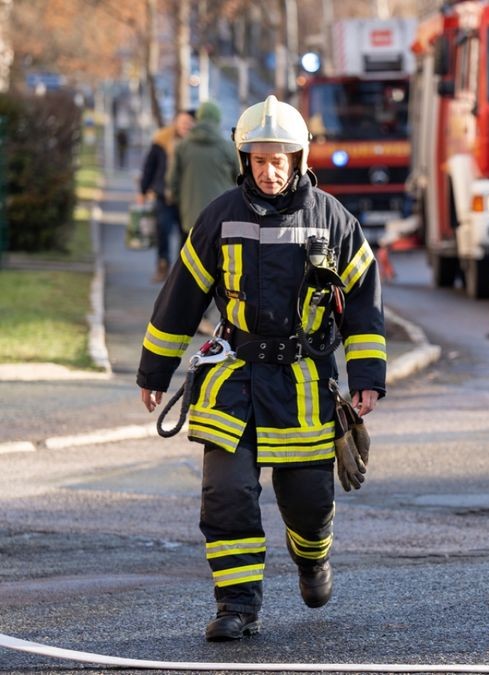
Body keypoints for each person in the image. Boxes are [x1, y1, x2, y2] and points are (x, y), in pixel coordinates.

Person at [136, 95, 387, 642]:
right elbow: (182, 297)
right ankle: (237, 606)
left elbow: (364, 302)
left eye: (279, 160)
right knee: (226, 495)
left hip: (303, 382)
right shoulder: (220, 216)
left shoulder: (333, 220)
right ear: (243, 158)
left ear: (298, 159)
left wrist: (366, 377)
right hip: (234, 377)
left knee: (308, 502)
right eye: (258, 160)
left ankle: (312, 558)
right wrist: (154, 372)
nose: (269, 172)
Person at [138, 110, 194, 282]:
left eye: (189, 122)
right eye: (182, 122)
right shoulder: (161, 141)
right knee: (163, 229)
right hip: (164, 195)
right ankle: (163, 264)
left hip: (186, 198)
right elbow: (150, 166)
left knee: (186, 235)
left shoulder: (194, 144)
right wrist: (143, 190)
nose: (185, 126)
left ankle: (180, 272)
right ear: (175, 122)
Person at [169, 101, 239, 235]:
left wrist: (182, 201)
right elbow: (240, 177)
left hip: (189, 215)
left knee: (187, 252)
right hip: (222, 213)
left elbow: (173, 181)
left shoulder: (182, 146)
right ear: (217, 120)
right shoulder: (227, 147)